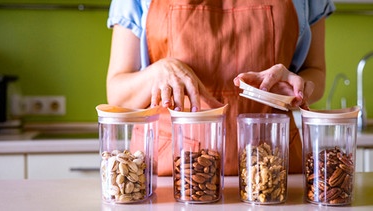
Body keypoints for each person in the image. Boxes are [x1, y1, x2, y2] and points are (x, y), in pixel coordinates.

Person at [105, 0, 335, 176]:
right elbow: (117, 93)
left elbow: (317, 74)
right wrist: (156, 73)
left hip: (273, 173)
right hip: (172, 177)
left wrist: (300, 88)